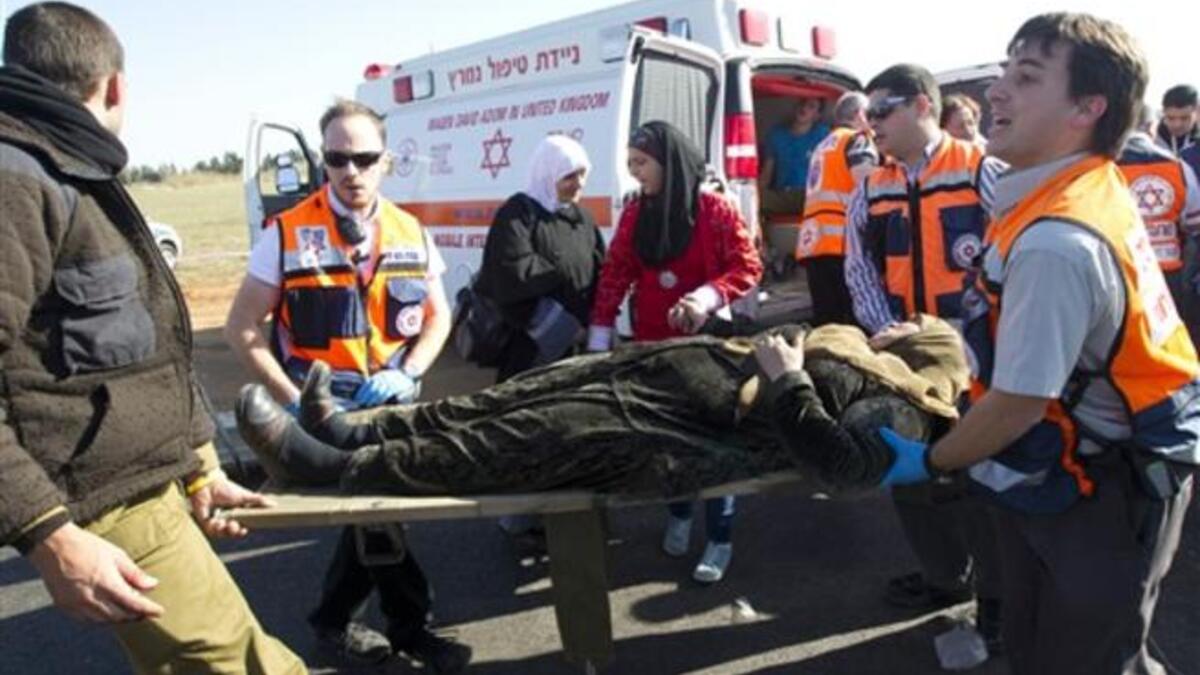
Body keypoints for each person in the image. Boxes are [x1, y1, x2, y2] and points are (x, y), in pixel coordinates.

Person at [877, 13, 1198, 674]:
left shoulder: (1055, 239)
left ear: (1089, 107)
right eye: (1004, 71)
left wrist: (932, 460)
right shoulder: (1063, 190)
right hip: (1082, 466)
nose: (996, 91)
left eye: (1025, 77)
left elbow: (1021, 402)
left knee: (1085, 659)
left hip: (1106, 485)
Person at [0, 4, 303, 673]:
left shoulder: (68, 163)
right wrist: (46, 535)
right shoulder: (17, 177)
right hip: (105, 495)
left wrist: (200, 462)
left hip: (146, 481)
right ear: (115, 87)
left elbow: (141, 344)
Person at [224, 100, 469, 671]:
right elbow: (241, 328)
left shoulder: (411, 229)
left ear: (386, 161)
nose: (350, 171)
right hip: (321, 409)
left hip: (390, 402)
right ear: (324, 162)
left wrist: (407, 372)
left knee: (374, 512)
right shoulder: (285, 233)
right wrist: (291, 399)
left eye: (363, 157)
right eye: (337, 158)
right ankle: (409, 627)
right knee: (379, 509)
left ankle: (335, 624)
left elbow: (439, 317)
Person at [235, 316, 970, 499]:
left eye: (909, 325)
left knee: (511, 440)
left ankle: (335, 466)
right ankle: (349, 425)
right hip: (660, 374)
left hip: (671, 429)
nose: (895, 320)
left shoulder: (902, 411)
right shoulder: (861, 350)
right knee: (499, 401)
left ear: (925, 351)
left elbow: (841, 468)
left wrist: (789, 381)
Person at [843, 63, 1007, 645]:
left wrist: (972, 343)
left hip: (981, 366)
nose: (869, 125)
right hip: (904, 363)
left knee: (983, 483)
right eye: (866, 113)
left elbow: (1016, 257)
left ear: (921, 107)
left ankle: (997, 599)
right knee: (909, 473)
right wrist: (889, 334)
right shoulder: (870, 186)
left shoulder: (984, 171)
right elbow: (858, 268)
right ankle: (944, 578)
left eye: (881, 110)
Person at [588, 120, 763, 583]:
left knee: (714, 441)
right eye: (631, 165)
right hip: (652, 344)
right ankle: (680, 513)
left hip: (707, 346)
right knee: (667, 439)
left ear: (669, 162)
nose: (636, 174)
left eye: (642, 164)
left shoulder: (714, 209)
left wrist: (706, 297)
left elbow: (747, 265)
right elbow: (616, 271)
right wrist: (600, 333)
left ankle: (720, 537)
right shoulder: (635, 213)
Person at [477, 134, 605, 537]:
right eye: (570, 175)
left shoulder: (581, 218)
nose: (578, 184)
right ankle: (519, 514)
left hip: (576, 345)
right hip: (529, 346)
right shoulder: (519, 212)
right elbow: (510, 273)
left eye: (583, 175)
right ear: (548, 173)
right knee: (526, 429)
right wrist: (563, 274)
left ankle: (571, 516)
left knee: (573, 429)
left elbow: (599, 268)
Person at [1117, 102, 1200, 344]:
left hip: (1124, 271)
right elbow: (1195, 223)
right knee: (1167, 341)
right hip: (1168, 274)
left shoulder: (1107, 166)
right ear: (1151, 126)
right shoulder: (1178, 167)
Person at [796, 91, 878, 325]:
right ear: (860, 115)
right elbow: (867, 184)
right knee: (852, 326)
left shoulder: (823, 146)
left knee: (826, 324)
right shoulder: (858, 140)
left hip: (815, 246)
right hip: (844, 244)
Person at [760, 97, 830, 217]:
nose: (804, 108)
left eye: (811, 106)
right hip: (782, 195)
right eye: (802, 103)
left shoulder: (823, 135)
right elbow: (767, 173)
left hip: (809, 195)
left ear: (817, 116)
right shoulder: (776, 135)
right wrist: (755, 193)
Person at [1156, 84, 1198, 156]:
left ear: (1197, 111)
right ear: (1163, 112)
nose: (1177, 125)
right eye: (1171, 118)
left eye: (1185, 118)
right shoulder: (1150, 140)